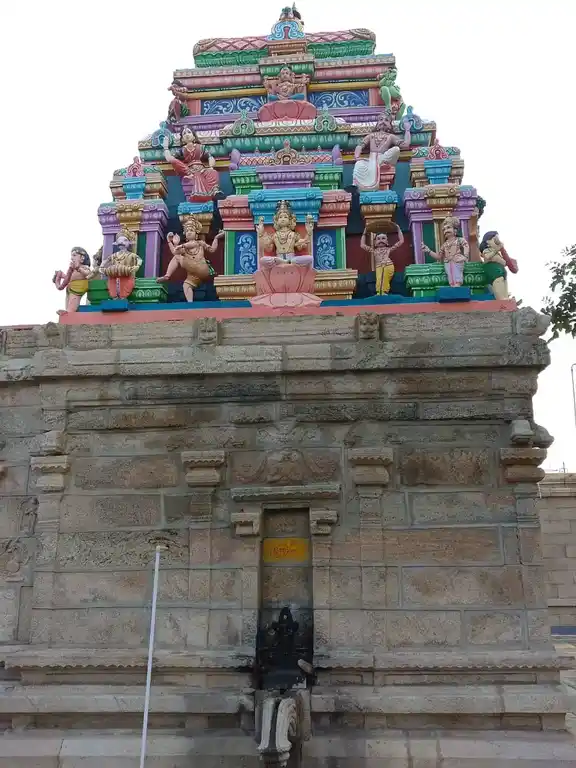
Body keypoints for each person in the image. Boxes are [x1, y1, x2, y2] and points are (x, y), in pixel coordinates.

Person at [157, 218, 223, 302]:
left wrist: (216, 238)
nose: (189, 232)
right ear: (185, 234)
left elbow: (212, 249)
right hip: (194, 275)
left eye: (191, 230)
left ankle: (167, 275)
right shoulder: (184, 248)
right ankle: (190, 304)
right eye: (187, 230)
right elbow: (174, 252)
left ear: (196, 234)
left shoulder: (198, 243)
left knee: (178, 256)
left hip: (202, 267)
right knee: (186, 285)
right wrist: (171, 242)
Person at [353, 109, 411, 191]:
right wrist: (357, 156)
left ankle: (381, 163)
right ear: (377, 124)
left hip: (383, 157)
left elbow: (405, 145)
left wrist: (407, 130)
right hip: (371, 159)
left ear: (390, 125)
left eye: (386, 120)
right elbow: (360, 145)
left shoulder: (390, 136)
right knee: (359, 164)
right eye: (381, 119)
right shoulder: (371, 135)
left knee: (396, 149)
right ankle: (358, 185)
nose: (383, 122)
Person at [163, 129, 219, 199]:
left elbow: (210, 157)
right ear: (182, 139)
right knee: (174, 161)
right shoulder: (182, 150)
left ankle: (214, 191)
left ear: (194, 137)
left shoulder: (201, 147)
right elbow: (169, 159)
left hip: (202, 170)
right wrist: (165, 147)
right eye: (184, 133)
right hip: (188, 171)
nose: (187, 134)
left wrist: (211, 167)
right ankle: (190, 176)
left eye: (189, 132)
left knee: (213, 172)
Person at [422, 217, 470, 287]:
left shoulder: (460, 240)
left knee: (457, 278)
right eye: (444, 229)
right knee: (451, 278)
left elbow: (466, 246)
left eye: (448, 228)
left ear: (455, 230)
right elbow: (438, 256)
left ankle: (457, 287)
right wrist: (428, 251)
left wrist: (465, 257)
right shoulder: (444, 245)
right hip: (447, 263)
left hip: (457, 261)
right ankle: (453, 287)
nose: (446, 231)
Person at [360, 224, 404, 295]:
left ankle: (384, 292)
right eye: (378, 239)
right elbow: (362, 245)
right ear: (375, 243)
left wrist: (398, 229)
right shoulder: (374, 251)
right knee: (379, 279)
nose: (381, 240)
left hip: (388, 265)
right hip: (379, 267)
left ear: (387, 242)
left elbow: (401, 241)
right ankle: (380, 292)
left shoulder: (388, 249)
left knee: (384, 277)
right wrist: (364, 233)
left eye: (383, 238)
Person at [479, 230, 518, 300]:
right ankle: (501, 298)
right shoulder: (487, 250)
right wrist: (496, 250)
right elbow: (487, 257)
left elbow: (504, 262)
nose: (497, 241)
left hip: (500, 270)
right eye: (495, 239)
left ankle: (505, 296)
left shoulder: (498, 253)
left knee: (504, 281)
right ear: (487, 242)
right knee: (498, 281)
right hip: (492, 270)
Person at [53, 247, 93, 314]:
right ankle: (67, 311)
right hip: (70, 287)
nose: (72, 258)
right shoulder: (72, 269)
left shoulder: (84, 267)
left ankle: (70, 312)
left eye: (74, 255)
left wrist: (79, 269)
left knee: (73, 300)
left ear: (82, 258)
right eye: (71, 256)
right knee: (68, 301)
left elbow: (88, 274)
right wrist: (60, 275)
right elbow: (69, 278)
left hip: (78, 287)